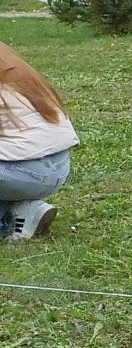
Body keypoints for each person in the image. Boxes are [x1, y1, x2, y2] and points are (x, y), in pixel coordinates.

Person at [0, 43, 79, 241]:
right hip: (59, 165)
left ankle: (5, 223)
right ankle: (25, 209)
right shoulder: (6, 59)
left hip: (25, 170)